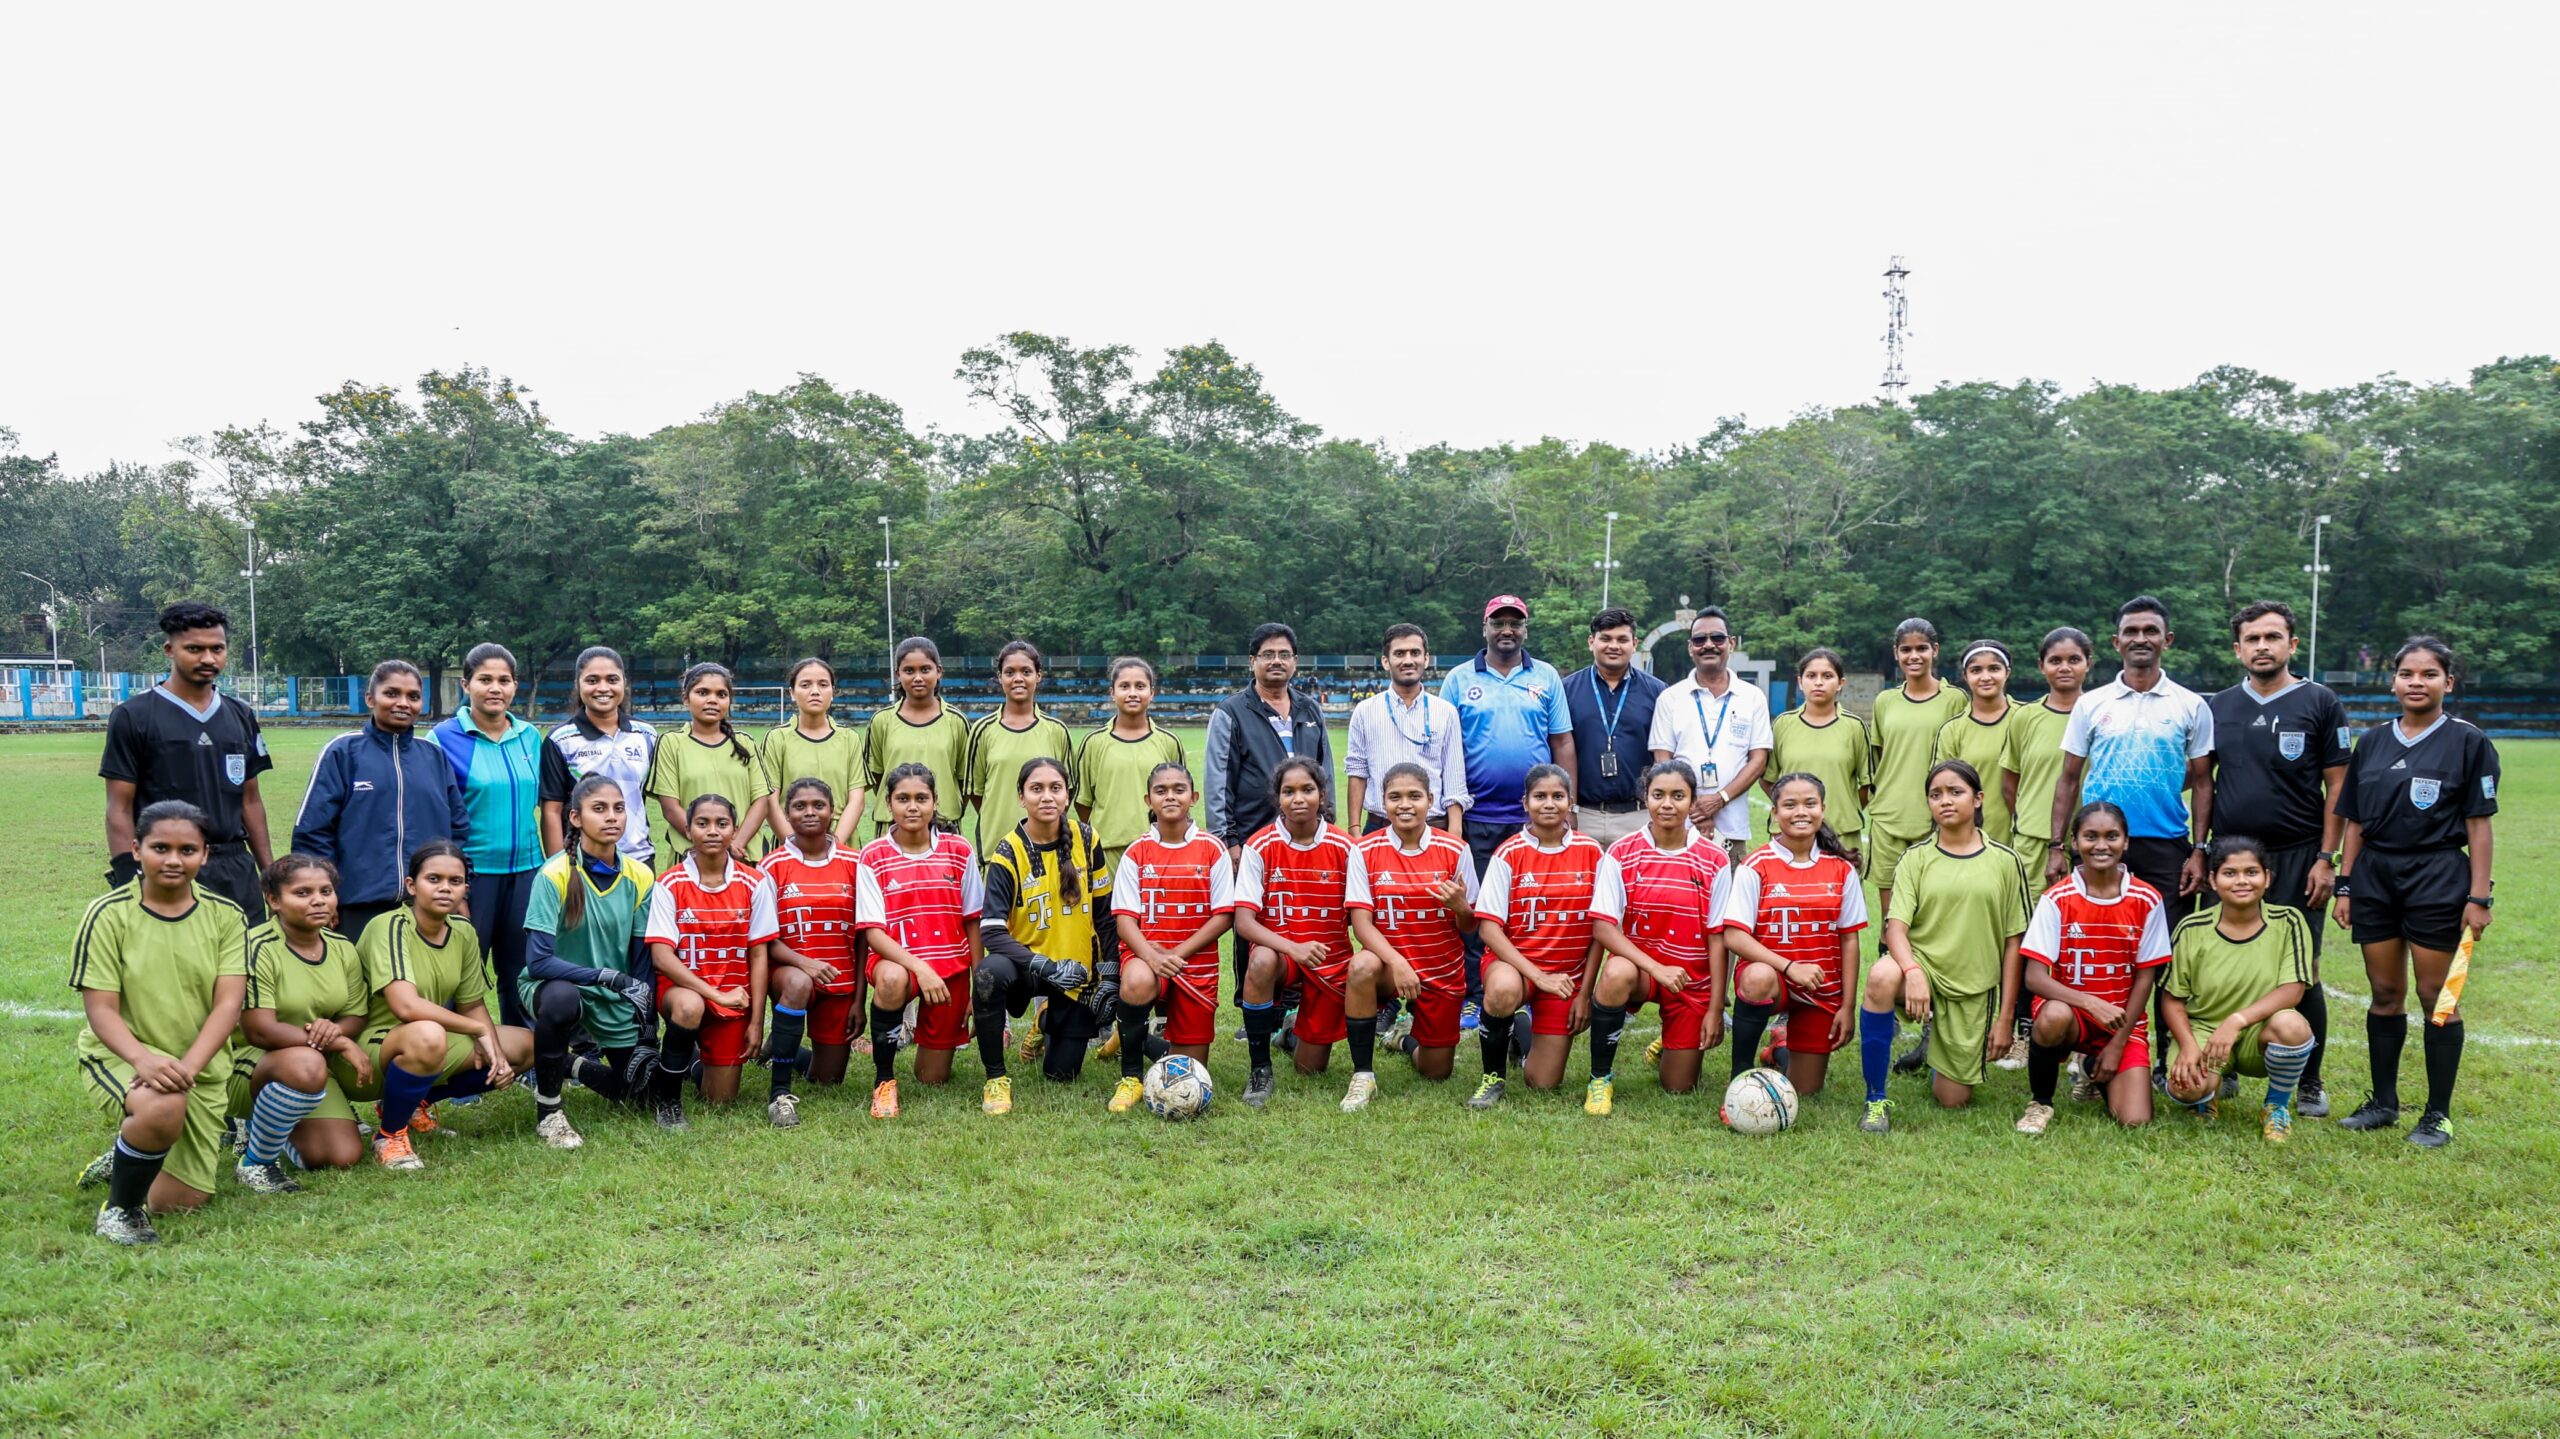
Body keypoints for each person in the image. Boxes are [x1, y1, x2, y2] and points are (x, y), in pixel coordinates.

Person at [2331, 636, 2499, 1149]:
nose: (2417, 682)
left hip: (2438, 875)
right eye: (2407, 673)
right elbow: (2355, 821)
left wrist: (2478, 898)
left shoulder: (2469, 741)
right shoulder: (2373, 742)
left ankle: (2437, 1115)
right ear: (2393, 682)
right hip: (2376, 877)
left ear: (2448, 682)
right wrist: (2346, 884)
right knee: (2385, 992)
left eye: (2429, 674)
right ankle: (2383, 1103)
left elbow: (2479, 825)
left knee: (2435, 997)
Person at [72, 800, 247, 1243]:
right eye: (160, 848)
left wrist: (188, 1067)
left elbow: (228, 1006)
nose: (173, 860)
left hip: (197, 1067)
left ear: (205, 854)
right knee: (161, 1105)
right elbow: (101, 1010)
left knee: (181, 1201)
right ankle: (121, 1211)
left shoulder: (226, 916)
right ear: (136, 849)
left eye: (187, 850)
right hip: (124, 1056)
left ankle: (130, 1150)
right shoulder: (108, 914)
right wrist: (144, 1061)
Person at [2203, 601, 2350, 1117]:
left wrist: (2326, 858)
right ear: (2237, 648)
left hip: (2297, 856)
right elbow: (2202, 782)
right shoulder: (2218, 706)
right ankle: (2220, 1068)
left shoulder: (2320, 701)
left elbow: (2338, 787)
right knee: (2220, 961)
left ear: (2292, 643)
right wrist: (2200, 851)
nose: (2262, 646)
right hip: (2228, 857)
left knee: (2302, 967)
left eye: (2272, 637)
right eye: (2252, 639)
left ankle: (2309, 1081)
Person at [1862, 760, 2029, 1129]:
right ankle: (1875, 1099)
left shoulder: (2005, 861)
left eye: (1956, 792)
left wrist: (2005, 1020)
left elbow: (2013, 943)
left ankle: (1936, 1047)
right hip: (1922, 968)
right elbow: (1895, 928)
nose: (1945, 801)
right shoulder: (1916, 858)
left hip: (1971, 985)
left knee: (1952, 1100)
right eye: (1936, 795)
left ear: (1978, 798)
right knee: (1881, 976)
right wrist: (1912, 971)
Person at [353, 841, 536, 1171]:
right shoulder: (389, 926)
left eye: (455, 881)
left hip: (426, 1039)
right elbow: (405, 1007)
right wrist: (478, 1030)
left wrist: (495, 1053)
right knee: (429, 1034)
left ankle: (412, 1103)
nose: (445, 888)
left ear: (466, 889)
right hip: (368, 1047)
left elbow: (472, 1004)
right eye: (433, 879)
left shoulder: (463, 931)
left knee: (524, 1046)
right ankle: (389, 1136)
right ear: (412, 885)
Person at [1444, 596, 1575, 1026]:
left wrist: (1568, 805)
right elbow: (1446, 747)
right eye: (1498, 622)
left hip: (1533, 820)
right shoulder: (1459, 679)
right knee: (1478, 908)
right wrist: (1453, 813)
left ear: (1525, 629)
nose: (1506, 630)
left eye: (1514, 623)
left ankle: (1526, 988)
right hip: (1478, 816)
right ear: (1484, 627)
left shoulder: (1546, 676)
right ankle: (1475, 993)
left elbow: (1562, 741)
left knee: (1528, 909)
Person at [99, 601, 274, 920]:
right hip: (169, 866)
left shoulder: (241, 714)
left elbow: (250, 801)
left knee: (244, 952)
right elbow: (119, 807)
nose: (208, 658)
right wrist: (129, 878)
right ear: (170, 650)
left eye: (217, 649)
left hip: (235, 868)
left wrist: (270, 875)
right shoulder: (133, 716)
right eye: (194, 649)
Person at [431, 643, 573, 1028]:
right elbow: (435, 817)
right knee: (459, 971)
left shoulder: (530, 736)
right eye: (485, 680)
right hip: (471, 878)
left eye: (504, 680)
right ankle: (453, 1055)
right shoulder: (442, 739)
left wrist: (555, 868)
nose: (495, 688)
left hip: (527, 874)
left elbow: (550, 806)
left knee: (523, 971)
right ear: (466, 685)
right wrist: (454, 885)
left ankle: (522, 1050)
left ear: (514, 686)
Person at [519, 775, 660, 1149]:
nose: (612, 817)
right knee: (562, 999)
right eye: (599, 809)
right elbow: (538, 962)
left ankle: (569, 1064)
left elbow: (641, 960)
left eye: (618, 808)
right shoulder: (554, 874)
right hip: (556, 986)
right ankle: (549, 1112)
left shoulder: (640, 875)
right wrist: (605, 976)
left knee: (639, 1093)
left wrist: (647, 1028)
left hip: (613, 993)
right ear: (576, 818)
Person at [1585, 760, 1732, 1113]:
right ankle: (1600, 1078)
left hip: (1690, 980)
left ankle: (1668, 1042)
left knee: (1679, 1086)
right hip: (1642, 971)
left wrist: (1715, 1007)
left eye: (1678, 796)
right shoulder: (1621, 852)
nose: (1667, 804)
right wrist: (1657, 969)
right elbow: (1603, 926)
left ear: (1692, 800)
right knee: (1616, 971)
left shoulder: (1715, 859)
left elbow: (1718, 938)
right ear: (1645, 798)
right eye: (1658, 795)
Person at [2016, 801, 2169, 1134]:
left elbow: (2145, 978)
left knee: (2134, 1120)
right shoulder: (2056, 899)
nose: (2101, 845)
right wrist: (2090, 1003)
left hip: (2120, 1023)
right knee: (2054, 1015)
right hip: (2072, 1016)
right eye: (2091, 836)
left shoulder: (2147, 899)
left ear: (2126, 841)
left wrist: (2117, 1045)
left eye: (2111, 836)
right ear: (2075, 842)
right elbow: (2034, 978)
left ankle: (2091, 1066)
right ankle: (2041, 1102)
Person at [2051, 596, 2214, 905]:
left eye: (2150, 631)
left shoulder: (2192, 705)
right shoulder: (2090, 704)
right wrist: (2056, 846)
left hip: (2166, 845)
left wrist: (2198, 850)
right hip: (2100, 842)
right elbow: (2069, 779)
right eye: (2131, 631)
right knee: (2099, 932)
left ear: (2167, 640)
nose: (2140, 639)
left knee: (2165, 934)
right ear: (2117, 642)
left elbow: (2204, 782)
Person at [292, 659, 468, 940]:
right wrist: (325, 894)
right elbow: (312, 832)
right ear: (370, 698)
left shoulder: (434, 756)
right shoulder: (342, 751)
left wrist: (457, 890)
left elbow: (458, 830)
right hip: (357, 906)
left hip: (424, 907)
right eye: (391, 693)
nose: (403, 703)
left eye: (413, 696)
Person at [975, 756, 1113, 1111]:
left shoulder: (1086, 838)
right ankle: (996, 1078)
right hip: (1028, 968)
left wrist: (1110, 974)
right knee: (989, 974)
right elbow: (991, 930)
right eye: (1036, 789)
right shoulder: (1007, 851)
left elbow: (1104, 913)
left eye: (1055, 788)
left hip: (1076, 973)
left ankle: (1045, 1019)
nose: (1047, 796)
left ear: (1067, 796)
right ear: (1021, 797)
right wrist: (1044, 966)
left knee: (1062, 1074)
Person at [226, 854, 371, 1191]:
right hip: (248, 1062)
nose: (318, 900)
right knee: (307, 1063)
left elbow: (356, 1014)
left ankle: (272, 1121)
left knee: (340, 1155)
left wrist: (337, 1028)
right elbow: (259, 1030)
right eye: (302, 893)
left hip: (310, 1064)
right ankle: (255, 1161)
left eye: (326, 891)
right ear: (273, 900)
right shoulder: (256, 947)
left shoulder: (341, 947)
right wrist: (337, 1041)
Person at [2162, 836, 2318, 1145]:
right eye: (2230, 873)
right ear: (2213, 880)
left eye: (2251, 872)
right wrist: (2189, 1046)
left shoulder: (2289, 921)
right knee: (2185, 1089)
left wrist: (2236, 1021)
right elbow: (2172, 999)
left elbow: (2293, 990)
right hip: (2205, 1033)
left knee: (2293, 1026)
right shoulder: (2191, 928)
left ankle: (2275, 1106)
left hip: (2257, 1033)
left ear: (2267, 877)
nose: (2242, 881)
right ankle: (2208, 1095)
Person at [1233, 756, 1370, 1108]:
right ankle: (1260, 1070)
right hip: (1282, 954)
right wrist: (1292, 948)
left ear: (1322, 795)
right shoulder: (1259, 845)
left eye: (1307, 790)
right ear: (1277, 798)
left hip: (1329, 960)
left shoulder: (1346, 847)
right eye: (1288, 791)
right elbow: (1244, 922)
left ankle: (1291, 1031)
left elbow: (1358, 920)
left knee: (1310, 1068)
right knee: (1261, 960)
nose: (1298, 798)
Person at [1721, 772, 1867, 1098]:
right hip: (1774, 980)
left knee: (1805, 1090)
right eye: (1790, 805)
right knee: (1757, 976)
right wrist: (1789, 967)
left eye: (1810, 803)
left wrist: (1847, 1006)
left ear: (1823, 809)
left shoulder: (1841, 869)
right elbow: (1734, 936)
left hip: (1820, 989)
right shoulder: (1756, 865)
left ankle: (1779, 1049)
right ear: (1775, 813)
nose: (1801, 812)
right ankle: (1739, 1078)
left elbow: (1850, 940)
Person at [1468, 764, 1604, 1108]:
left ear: (1570, 801)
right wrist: (1539, 977)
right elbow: (1488, 929)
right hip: (1516, 968)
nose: (1549, 803)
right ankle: (1493, 1078)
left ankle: (1521, 1029)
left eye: (1558, 796)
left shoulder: (1593, 852)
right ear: (1525, 802)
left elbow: (1600, 933)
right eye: (1539, 796)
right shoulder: (1508, 853)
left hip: (1566, 978)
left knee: (1542, 1082)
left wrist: (1584, 993)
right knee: (1502, 990)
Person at [855, 764, 986, 1118]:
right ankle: (884, 1082)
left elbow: (973, 922)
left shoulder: (959, 850)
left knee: (932, 1078)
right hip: (899, 963)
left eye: (921, 798)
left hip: (950, 969)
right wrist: (921, 969)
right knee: (892, 979)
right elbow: (873, 934)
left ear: (935, 802)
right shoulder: (872, 856)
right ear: (888, 804)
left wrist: (979, 987)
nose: (912, 806)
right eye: (903, 799)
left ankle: (927, 1050)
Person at [642, 794, 778, 1130]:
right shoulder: (669, 883)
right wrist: (715, 995)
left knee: (721, 1098)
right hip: (684, 990)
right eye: (702, 823)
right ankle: (668, 1102)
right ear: (688, 830)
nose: (713, 831)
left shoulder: (754, 882)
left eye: (722, 823)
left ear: (735, 830)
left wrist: (756, 1023)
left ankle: (688, 1059)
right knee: (690, 1006)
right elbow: (661, 957)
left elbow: (759, 955)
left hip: (734, 996)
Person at [1109, 763, 1235, 1111]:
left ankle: (1131, 1035)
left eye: (1179, 789)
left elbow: (1224, 915)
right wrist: (1153, 957)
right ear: (1148, 799)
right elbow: (1125, 922)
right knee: (1136, 980)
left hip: (1195, 963)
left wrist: (1176, 954)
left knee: (1190, 1068)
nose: (1170, 796)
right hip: (1146, 957)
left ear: (1194, 797)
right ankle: (1131, 1077)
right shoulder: (1136, 852)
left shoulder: (1213, 849)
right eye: (1161, 790)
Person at [1348, 762, 1478, 1086]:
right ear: (1383, 802)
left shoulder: (1456, 849)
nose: (1405, 804)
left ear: (1430, 800)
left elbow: (1469, 926)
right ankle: (1362, 1074)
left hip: (1439, 967)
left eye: (1414, 796)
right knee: (1361, 966)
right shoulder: (1364, 850)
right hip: (1388, 965)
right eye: (1395, 797)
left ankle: (1404, 1039)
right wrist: (1398, 963)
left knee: (1437, 1071)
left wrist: (1462, 908)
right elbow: (1361, 924)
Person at [759, 778, 866, 1090]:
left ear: (832, 811)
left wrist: (859, 1000)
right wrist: (805, 963)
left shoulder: (856, 863)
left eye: (818, 805)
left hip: (839, 979)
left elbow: (864, 939)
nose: (809, 812)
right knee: (798, 982)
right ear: (787, 814)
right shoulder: (771, 866)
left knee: (828, 1081)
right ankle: (780, 1089)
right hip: (790, 974)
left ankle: (784, 1049)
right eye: (799, 806)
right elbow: (765, 940)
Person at [1645, 607, 1772, 862]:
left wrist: (1720, 799)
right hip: (1679, 827)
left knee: (1730, 887)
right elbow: (1662, 760)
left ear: (1731, 643)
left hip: (1731, 831)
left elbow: (1758, 760)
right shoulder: (1670, 698)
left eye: (1717, 638)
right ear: (1690, 647)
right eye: (1700, 639)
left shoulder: (1752, 697)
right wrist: (1695, 807)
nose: (1709, 645)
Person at [1206, 621, 1334, 856]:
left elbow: (1326, 775)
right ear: (1252, 661)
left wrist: (1328, 825)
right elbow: (1218, 785)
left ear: (1295, 661)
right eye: (1268, 654)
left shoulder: (1310, 709)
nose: (1277, 661)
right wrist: (1227, 841)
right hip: (1251, 842)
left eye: (1284, 655)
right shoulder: (1230, 713)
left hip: (1308, 841)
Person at [1867, 617, 1967, 912]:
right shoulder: (1885, 701)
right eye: (1906, 650)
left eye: (1921, 648)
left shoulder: (1955, 699)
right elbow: (1881, 754)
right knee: (1891, 913)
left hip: (1936, 817)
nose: (1914, 656)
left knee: (1933, 910)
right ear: (1896, 653)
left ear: (1935, 650)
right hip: (1889, 816)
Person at [1344, 624, 1470, 836]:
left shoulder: (1446, 712)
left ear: (1426, 659)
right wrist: (1354, 829)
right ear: (1386, 661)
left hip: (1434, 826)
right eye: (1399, 654)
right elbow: (1357, 771)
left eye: (1415, 653)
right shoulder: (1365, 711)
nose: (1408, 660)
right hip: (1380, 826)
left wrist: (1455, 833)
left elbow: (1454, 777)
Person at [1999, 628, 2091, 904]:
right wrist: (2032, 822)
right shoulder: (2025, 717)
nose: (2064, 667)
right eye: (2055, 661)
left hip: (2092, 842)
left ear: (2088, 663)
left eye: (2074, 660)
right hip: (2033, 843)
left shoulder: (2101, 713)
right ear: (2042, 666)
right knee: (2031, 922)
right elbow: (2010, 783)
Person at [646, 662, 772, 862]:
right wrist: (712, 843)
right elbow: (670, 807)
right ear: (685, 698)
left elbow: (761, 801)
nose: (712, 700)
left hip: (743, 857)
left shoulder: (745, 743)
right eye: (703, 692)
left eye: (721, 694)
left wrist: (736, 843)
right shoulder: (671, 743)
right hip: (692, 858)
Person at [546, 646, 660, 866]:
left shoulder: (647, 735)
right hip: (582, 861)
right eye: (592, 680)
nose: (603, 688)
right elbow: (552, 810)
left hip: (639, 859)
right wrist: (558, 869)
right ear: (577, 684)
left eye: (612, 679)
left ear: (624, 683)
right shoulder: (560, 740)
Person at [1563, 607, 1666, 848]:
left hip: (1638, 816)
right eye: (1606, 638)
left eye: (1622, 639)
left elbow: (1663, 754)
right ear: (1591, 642)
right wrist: (1569, 809)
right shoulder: (1566, 690)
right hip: (1583, 815)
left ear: (1634, 644)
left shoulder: (1657, 692)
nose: (1614, 646)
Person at [1074, 656, 1188, 873]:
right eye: (1124, 686)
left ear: (1152, 693)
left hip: (1158, 847)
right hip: (1107, 851)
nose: (1133, 693)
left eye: (1140, 686)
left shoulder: (1169, 742)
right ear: (1112, 692)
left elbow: (1181, 797)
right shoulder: (1094, 743)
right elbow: (1083, 802)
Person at [1765, 648, 1871, 868]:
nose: (1819, 682)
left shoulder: (1854, 727)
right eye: (1811, 676)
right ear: (1800, 682)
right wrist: (1792, 810)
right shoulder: (1783, 724)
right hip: (1790, 833)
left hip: (1842, 833)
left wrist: (1842, 810)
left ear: (1841, 683)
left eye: (1827, 676)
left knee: (1843, 890)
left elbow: (1867, 784)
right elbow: (1768, 778)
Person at [967, 641, 1076, 853]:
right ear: (1000, 677)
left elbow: (1067, 789)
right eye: (1010, 672)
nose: (1018, 678)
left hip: (1046, 849)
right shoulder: (983, 730)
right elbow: (976, 793)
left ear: (1039, 675)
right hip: (996, 849)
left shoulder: (1057, 731)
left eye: (1026, 671)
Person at [860, 637, 971, 838]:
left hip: (944, 825)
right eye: (909, 671)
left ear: (939, 671)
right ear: (898, 674)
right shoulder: (881, 721)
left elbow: (965, 780)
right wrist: (900, 803)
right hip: (892, 826)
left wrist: (942, 805)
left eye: (925, 669)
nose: (918, 677)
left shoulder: (956, 721)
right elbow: (877, 776)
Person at [758, 658, 865, 850]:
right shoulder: (777, 739)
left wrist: (835, 846)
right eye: (805, 685)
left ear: (833, 691)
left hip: (841, 844)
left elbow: (856, 800)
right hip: (790, 845)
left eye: (823, 684)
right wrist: (795, 845)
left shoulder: (849, 739)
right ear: (792, 693)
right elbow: (770, 801)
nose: (815, 691)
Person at [1933, 640, 2020, 849]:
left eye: (1994, 669)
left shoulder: (2027, 719)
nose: (1985, 677)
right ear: (1965, 675)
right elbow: (1942, 790)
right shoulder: (1952, 730)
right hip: (1969, 842)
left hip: (2025, 838)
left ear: (2007, 672)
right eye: (1976, 670)